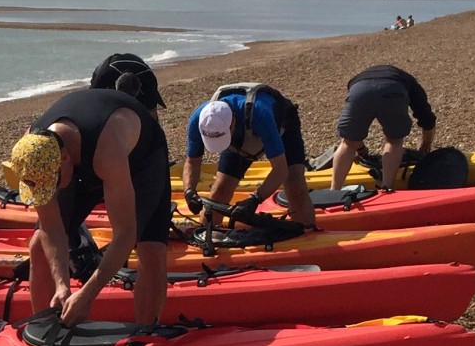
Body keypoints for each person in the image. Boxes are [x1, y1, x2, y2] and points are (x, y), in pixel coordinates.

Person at [1, 86, 172, 327]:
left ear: (65, 158)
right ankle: (44, 333)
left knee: (151, 250)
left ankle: (145, 336)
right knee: (39, 246)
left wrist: (88, 294)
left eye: (53, 184)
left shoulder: (107, 152)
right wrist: (63, 284)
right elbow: (51, 229)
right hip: (80, 156)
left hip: (141, 158)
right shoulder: (33, 150)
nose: (50, 191)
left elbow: (125, 234)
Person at [181, 81, 319, 228]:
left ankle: (308, 231)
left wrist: (255, 199)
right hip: (240, 137)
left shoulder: (261, 114)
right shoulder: (199, 119)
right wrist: (189, 191)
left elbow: (280, 170)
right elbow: (192, 162)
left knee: (295, 186)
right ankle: (206, 233)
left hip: (282, 127)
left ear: (233, 122)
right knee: (219, 191)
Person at [330, 64, 437, 192]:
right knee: (394, 141)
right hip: (393, 89)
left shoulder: (357, 78)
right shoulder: (410, 82)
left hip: (359, 89)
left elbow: (354, 131)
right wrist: (425, 145)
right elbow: (427, 118)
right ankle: (387, 188)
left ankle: (334, 191)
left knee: (348, 143)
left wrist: (361, 149)